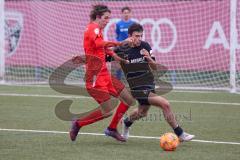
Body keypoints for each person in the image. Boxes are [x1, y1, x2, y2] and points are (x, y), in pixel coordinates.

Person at [105, 23, 195, 142]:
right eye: (136, 36)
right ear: (129, 36)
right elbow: (104, 56)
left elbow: (155, 67)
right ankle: (180, 133)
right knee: (165, 104)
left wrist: (148, 57)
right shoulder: (121, 49)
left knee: (142, 113)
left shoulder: (145, 45)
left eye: (141, 36)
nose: (139, 39)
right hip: (136, 87)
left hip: (149, 83)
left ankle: (127, 122)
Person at [69, 4, 135, 142]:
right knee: (107, 111)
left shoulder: (98, 28)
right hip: (95, 77)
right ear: (98, 17)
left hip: (105, 74)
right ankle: (78, 123)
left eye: (109, 18)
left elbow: (100, 49)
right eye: (106, 18)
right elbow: (99, 44)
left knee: (128, 99)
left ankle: (111, 128)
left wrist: (115, 56)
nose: (108, 21)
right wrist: (119, 43)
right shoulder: (92, 28)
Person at [115, 7, 135, 80]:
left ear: (130, 14)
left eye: (127, 12)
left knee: (131, 64)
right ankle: (118, 82)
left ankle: (133, 81)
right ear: (122, 14)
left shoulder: (133, 24)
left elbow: (134, 35)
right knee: (119, 64)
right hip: (121, 47)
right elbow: (117, 35)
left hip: (130, 46)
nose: (126, 14)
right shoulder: (118, 24)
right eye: (124, 13)